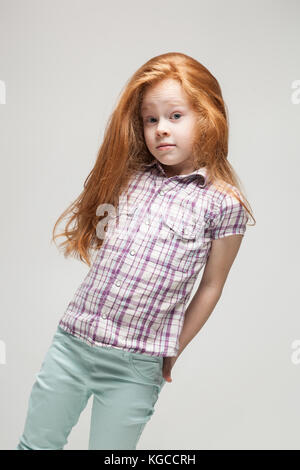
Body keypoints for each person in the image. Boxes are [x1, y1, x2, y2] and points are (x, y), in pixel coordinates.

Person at [16, 52, 255, 450]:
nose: (161, 129)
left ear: (208, 117)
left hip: (135, 364)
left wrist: (173, 349)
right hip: (72, 343)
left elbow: (212, 285)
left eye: (175, 116)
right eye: (151, 119)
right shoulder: (128, 177)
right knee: (36, 444)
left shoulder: (223, 203)